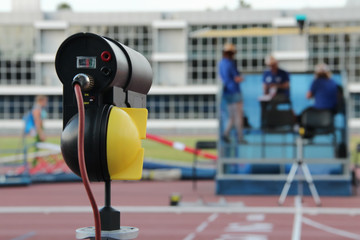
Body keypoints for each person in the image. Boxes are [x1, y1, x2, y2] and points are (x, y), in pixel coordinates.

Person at [218, 43, 246, 143]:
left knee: (232, 116)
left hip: (227, 92)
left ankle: (226, 133)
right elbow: (236, 78)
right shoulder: (230, 63)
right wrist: (242, 78)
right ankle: (240, 137)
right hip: (234, 91)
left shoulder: (221, 63)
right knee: (238, 115)